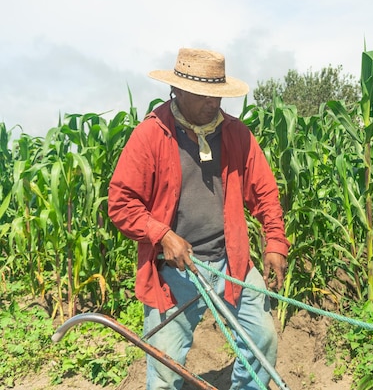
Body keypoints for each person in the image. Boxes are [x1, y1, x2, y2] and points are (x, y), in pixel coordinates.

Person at [108, 48, 290, 390]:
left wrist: (275, 242)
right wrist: (162, 234)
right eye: (205, 95)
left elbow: (264, 192)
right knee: (164, 370)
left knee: (261, 340)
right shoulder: (151, 135)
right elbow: (121, 202)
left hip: (232, 261)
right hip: (173, 272)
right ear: (178, 91)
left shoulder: (236, 134)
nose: (213, 103)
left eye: (217, 95)